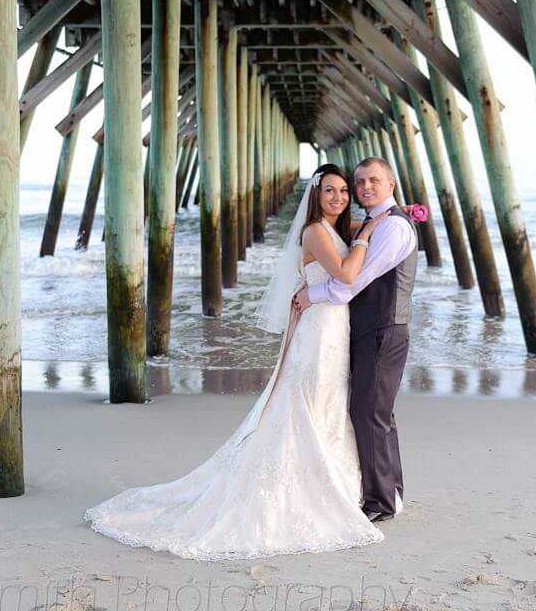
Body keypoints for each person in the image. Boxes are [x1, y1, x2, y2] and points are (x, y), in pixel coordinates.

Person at [83, 163, 391, 560]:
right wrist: (368, 234)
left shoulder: (336, 231)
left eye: (344, 191)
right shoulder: (316, 230)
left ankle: (336, 481)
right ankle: (306, 484)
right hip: (319, 333)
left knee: (330, 402)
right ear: (316, 195)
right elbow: (348, 275)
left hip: (334, 328)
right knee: (309, 403)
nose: (339, 197)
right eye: (330, 190)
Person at [293, 156, 418, 522]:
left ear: (390, 184)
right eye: (359, 182)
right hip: (369, 329)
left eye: (372, 181)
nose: (364, 188)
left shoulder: (393, 228)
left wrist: (311, 296)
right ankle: (390, 491)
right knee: (377, 413)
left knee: (368, 414)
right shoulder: (373, 223)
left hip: (384, 329)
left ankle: (380, 502)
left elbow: (355, 281)